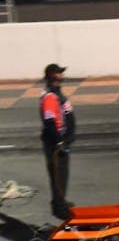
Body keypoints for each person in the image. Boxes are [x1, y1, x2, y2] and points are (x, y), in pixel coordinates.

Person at [39, 63, 76, 220]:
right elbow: (49, 122)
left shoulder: (58, 94)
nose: (61, 77)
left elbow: (68, 115)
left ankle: (60, 201)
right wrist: (60, 142)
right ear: (50, 77)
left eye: (61, 74)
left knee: (63, 175)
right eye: (57, 74)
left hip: (63, 141)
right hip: (55, 144)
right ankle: (59, 208)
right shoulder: (49, 97)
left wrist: (69, 136)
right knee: (58, 177)